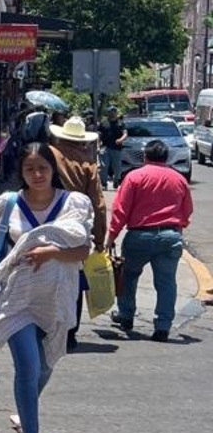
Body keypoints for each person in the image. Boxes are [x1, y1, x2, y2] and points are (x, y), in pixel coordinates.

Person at [0, 142, 91, 433]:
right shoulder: (8, 204)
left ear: (53, 170)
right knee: (28, 367)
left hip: (56, 297)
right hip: (16, 299)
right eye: (29, 169)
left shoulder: (72, 204)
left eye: (42, 168)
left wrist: (52, 253)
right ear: (20, 172)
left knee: (45, 365)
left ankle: (25, 410)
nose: (37, 175)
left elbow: (83, 250)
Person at [106, 138, 192, 341]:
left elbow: (121, 210)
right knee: (166, 282)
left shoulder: (134, 177)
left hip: (139, 235)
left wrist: (112, 236)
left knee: (128, 277)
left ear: (145, 156)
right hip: (170, 235)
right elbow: (187, 209)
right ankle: (163, 326)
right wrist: (177, 227)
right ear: (166, 157)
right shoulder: (179, 179)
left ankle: (126, 315)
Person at [46, 114, 107, 349]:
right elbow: (98, 204)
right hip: (76, 226)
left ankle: (46, 327)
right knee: (74, 279)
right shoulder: (88, 164)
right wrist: (99, 238)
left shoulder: (48, 154)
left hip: (47, 220)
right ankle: (70, 333)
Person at [99, 106, 126, 189]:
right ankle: (104, 183)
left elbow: (125, 133)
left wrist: (121, 139)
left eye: (114, 111)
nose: (113, 113)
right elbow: (99, 134)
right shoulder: (103, 123)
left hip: (117, 149)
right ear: (108, 113)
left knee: (117, 168)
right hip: (105, 147)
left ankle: (116, 180)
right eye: (111, 111)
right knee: (104, 166)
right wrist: (98, 143)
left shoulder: (121, 123)